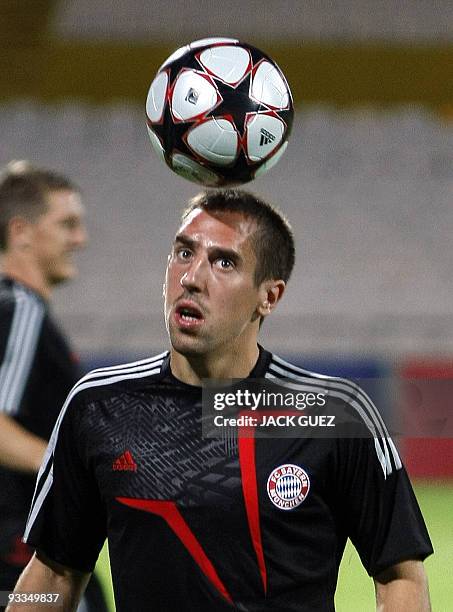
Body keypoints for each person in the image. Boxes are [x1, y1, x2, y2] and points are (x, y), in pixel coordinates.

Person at [9, 189, 432, 611]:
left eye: (224, 262)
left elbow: (399, 575)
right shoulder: (98, 406)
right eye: (183, 253)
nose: (192, 277)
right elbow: (53, 575)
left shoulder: (335, 414)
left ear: (269, 296)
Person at [0, 161, 107, 611]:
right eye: (67, 224)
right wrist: (76, 472)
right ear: (21, 232)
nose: (80, 239)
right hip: (16, 557)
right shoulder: (19, 308)